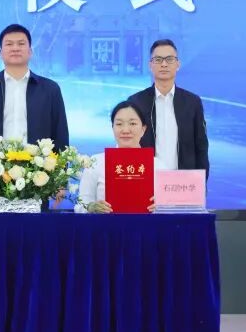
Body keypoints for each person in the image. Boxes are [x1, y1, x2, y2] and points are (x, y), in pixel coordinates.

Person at [0, 24, 69, 150]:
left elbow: (60, 132)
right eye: (9, 44)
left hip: (39, 161)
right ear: (1, 53)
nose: (15, 48)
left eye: (21, 44)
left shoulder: (50, 89)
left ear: (30, 52)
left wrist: (61, 161)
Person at [127, 39, 210, 175]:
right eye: (158, 59)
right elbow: (127, 144)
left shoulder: (192, 102)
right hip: (146, 181)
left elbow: (201, 147)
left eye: (169, 59)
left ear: (178, 64)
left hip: (183, 182)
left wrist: (200, 182)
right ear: (150, 65)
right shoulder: (136, 102)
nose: (164, 64)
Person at [75, 101, 157, 213]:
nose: (126, 130)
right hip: (105, 224)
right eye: (119, 124)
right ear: (112, 127)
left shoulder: (159, 165)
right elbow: (80, 207)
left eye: (132, 123)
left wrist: (162, 207)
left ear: (143, 129)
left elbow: (172, 210)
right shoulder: (95, 163)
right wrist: (90, 207)